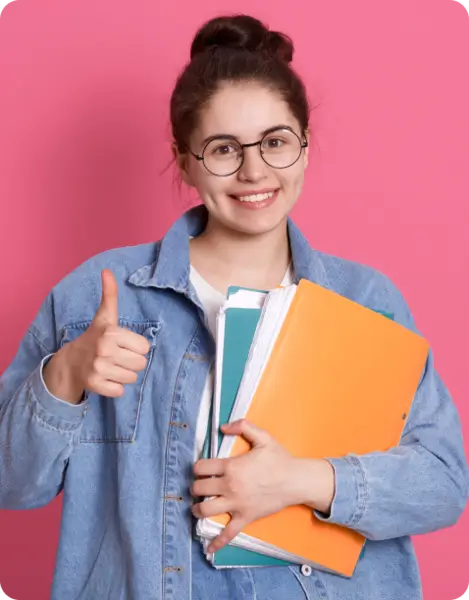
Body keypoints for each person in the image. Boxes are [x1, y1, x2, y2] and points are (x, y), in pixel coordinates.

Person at [0, 13, 467, 600]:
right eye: (224, 148)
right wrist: (64, 374)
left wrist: (303, 480)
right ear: (186, 158)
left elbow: (443, 483)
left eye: (275, 141)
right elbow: (11, 484)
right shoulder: (93, 299)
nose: (254, 171)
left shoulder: (368, 303)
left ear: (304, 144)